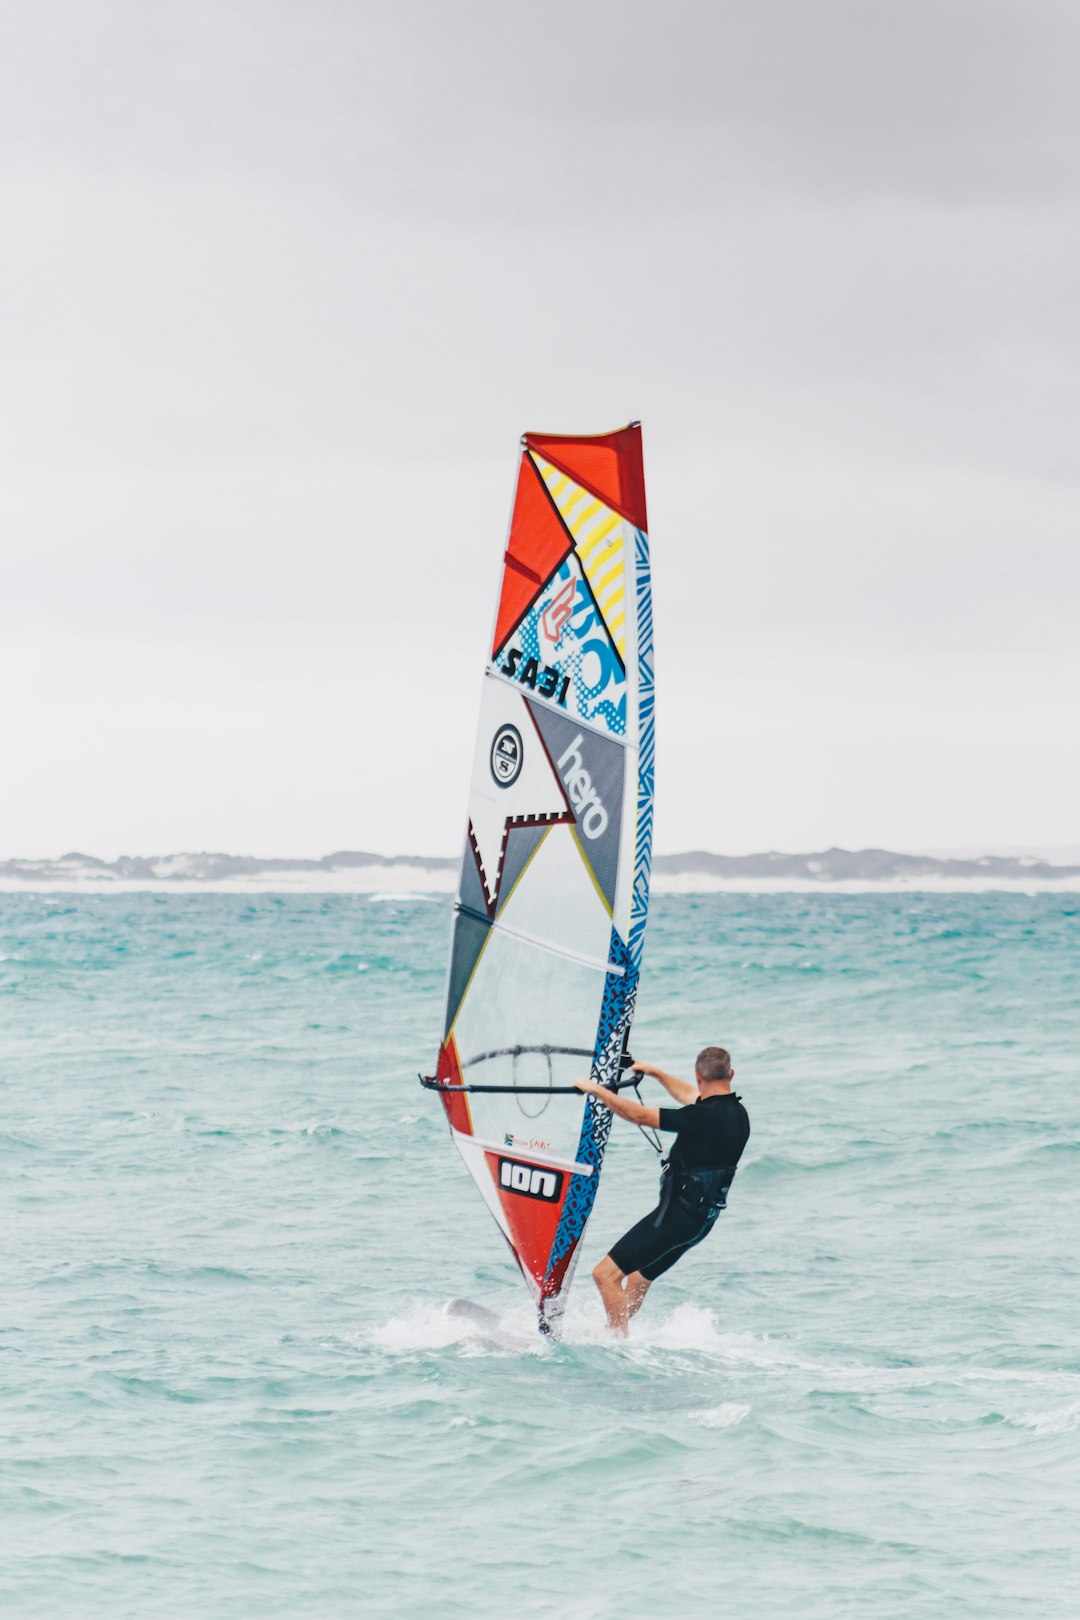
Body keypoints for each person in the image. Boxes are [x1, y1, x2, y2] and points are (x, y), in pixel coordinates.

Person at [574, 1047, 750, 1336]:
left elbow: (640, 1115)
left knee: (605, 1275)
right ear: (730, 1075)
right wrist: (654, 1072)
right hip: (701, 1223)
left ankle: (616, 1345)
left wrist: (595, 1090)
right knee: (637, 1280)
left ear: (698, 1076)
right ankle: (617, 1330)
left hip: (676, 1218)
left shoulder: (701, 1117)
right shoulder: (737, 1114)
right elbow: (688, 1096)